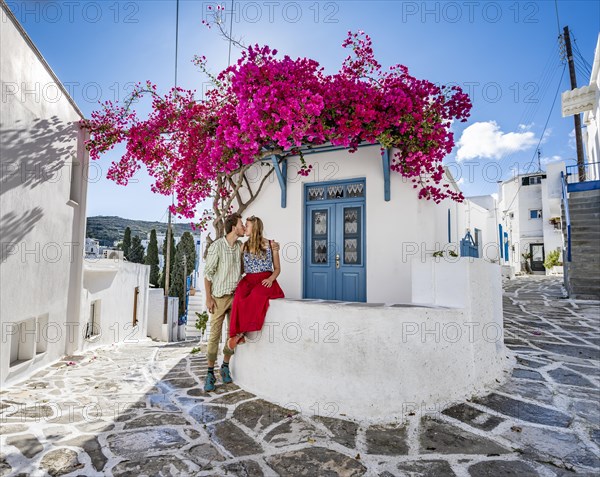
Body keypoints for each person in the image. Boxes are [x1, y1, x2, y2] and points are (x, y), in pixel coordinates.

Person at [227, 215, 284, 350]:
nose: (245, 228)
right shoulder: (243, 246)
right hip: (248, 279)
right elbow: (239, 267)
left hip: (265, 279)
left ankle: (241, 333)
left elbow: (277, 268)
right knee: (239, 296)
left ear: (255, 228)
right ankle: (235, 333)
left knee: (257, 295)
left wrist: (271, 279)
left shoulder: (271, 244)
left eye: (247, 225)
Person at [203, 212, 245, 392]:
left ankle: (225, 366)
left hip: (235, 296)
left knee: (233, 334)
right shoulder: (217, 246)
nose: (243, 228)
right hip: (219, 298)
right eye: (241, 225)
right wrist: (208, 298)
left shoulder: (239, 246)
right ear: (234, 227)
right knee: (214, 335)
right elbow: (208, 274)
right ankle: (210, 373)